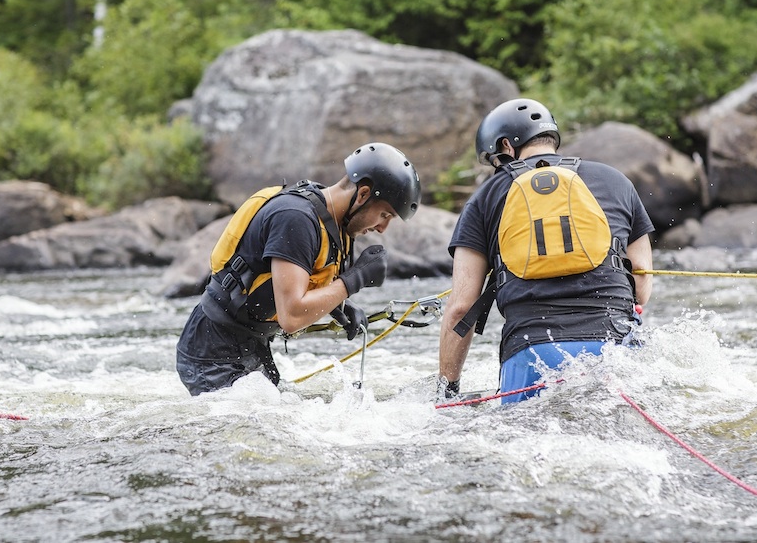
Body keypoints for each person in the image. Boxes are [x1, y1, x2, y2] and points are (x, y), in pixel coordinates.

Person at [437, 98, 654, 404]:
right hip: (613, 347)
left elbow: (461, 308)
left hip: (531, 353)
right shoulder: (615, 181)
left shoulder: (485, 197)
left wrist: (448, 391)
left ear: (505, 146)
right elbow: (641, 287)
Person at [177, 142, 422, 396]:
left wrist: (339, 307)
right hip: (212, 353)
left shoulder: (334, 222)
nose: (383, 228)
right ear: (363, 194)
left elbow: (299, 280)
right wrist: (354, 280)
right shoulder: (297, 218)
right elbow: (292, 316)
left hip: (250, 345)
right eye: (385, 215)